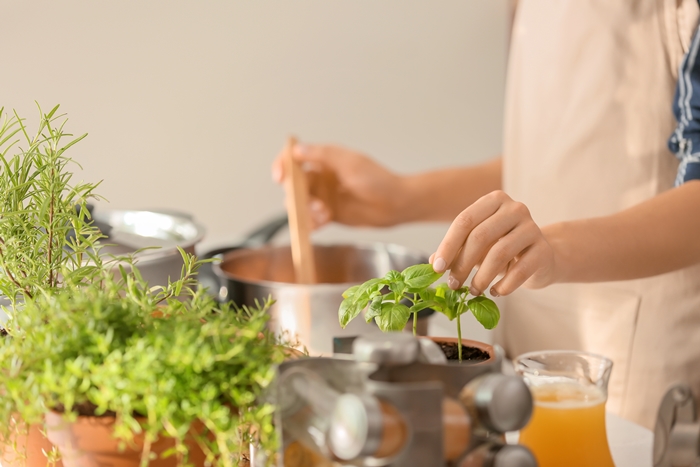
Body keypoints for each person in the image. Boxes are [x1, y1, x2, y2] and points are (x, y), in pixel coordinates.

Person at [272, 1, 700, 430]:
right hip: (526, 341)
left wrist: (556, 249)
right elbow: (558, 159)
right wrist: (402, 198)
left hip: (635, 364)